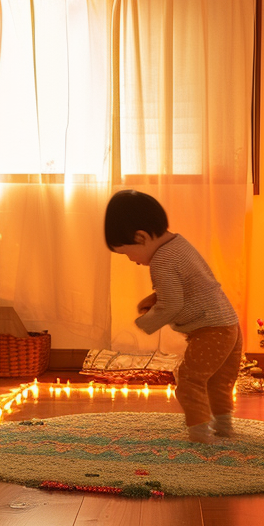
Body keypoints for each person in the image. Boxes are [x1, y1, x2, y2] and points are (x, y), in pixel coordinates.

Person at [104, 190, 242, 444]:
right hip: (229, 325)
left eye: (127, 253)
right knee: (219, 382)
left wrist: (144, 323)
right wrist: (153, 299)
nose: (132, 260)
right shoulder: (179, 245)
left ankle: (200, 434)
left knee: (189, 380)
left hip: (210, 329)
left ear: (140, 237)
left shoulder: (161, 261)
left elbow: (172, 303)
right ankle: (224, 428)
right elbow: (188, 287)